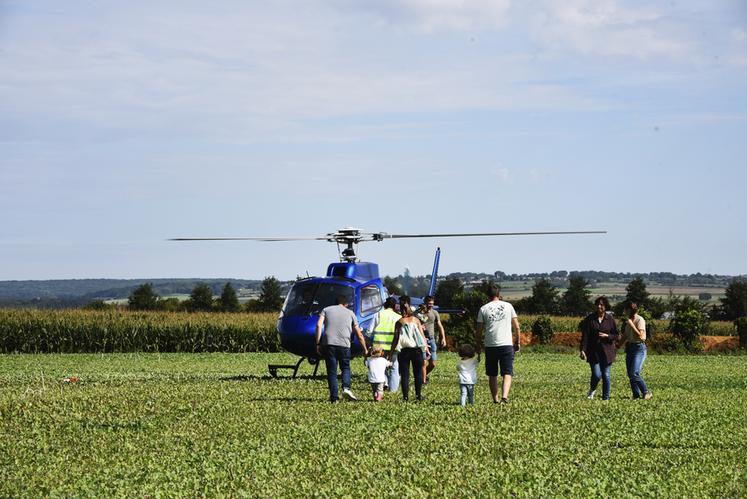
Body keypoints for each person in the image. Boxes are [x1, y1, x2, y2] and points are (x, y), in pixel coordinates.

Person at [315, 295, 368, 403]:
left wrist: (318, 343)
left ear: (336, 302)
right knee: (345, 368)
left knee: (331, 372)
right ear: (346, 304)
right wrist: (365, 349)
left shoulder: (326, 310)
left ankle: (334, 398)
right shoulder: (351, 313)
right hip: (345, 344)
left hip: (329, 344)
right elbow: (359, 334)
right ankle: (346, 388)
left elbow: (318, 326)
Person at [476, 286, 521, 404]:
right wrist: (518, 342)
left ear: (488, 295)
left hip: (490, 345)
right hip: (506, 344)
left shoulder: (483, 309)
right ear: (499, 294)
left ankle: (495, 400)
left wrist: (478, 347)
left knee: (492, 374)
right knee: (507, 372)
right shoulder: (508, 306)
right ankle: (504, 397)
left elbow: (479, 331)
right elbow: (517, 326)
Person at [390, 296, 430, 402]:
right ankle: (418, 396)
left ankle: (405, 397)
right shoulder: (416, 320)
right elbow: (422, 336)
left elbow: (395, 339)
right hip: (416, 350)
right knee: (417, 374)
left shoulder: (399, 322)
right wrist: (426, 349)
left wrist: (391, 353)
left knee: (405, 375)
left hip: (403, 351)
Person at [580, 296, 619, 401]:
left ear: (605, 306)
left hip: (607, 351)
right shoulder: (589, 319)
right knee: (597, 375)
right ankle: (592, 390)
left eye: (601, 304)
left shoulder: (610, 319)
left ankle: (605, 399)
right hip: (593, 351)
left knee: (606, 375)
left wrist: (607, 336)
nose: (599, 306)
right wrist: (583, 350)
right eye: (597, 304)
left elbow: (616, 335)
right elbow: (585, 336)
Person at [367, 297, 401, 392]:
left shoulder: (378, 314)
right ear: (395, 306)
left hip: (379, 347)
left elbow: (369, 332)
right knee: (394, 368)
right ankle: (393, 390)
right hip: (393, 346)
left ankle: (384, 383)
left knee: (381, 367)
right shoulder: (398, 317)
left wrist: (368, 344)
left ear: (385, 305)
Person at [623, 301, 652, 400]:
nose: (624, 311)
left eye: (626, 309)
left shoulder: (640, 320)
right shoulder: (628, 321)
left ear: (630, 310)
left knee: (634, 372)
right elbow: (625, 336)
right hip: (630, 348)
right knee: (630, 374)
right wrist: (616, 345)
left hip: (639, 348)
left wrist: (632, 325)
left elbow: (641, 336)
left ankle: (646, 392)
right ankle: (636, 395)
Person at [417, 296, 447, 384]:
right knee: (423, 361)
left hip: (431, 339)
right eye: (429, 303)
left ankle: (423, 375)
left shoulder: (435, 313)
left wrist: (443, 338)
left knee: (433, 363)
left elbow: (440, 326)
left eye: (432, 304)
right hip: (421, 339)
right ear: (425, 302)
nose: (431, 305)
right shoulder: (419, 313)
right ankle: (423, 380)